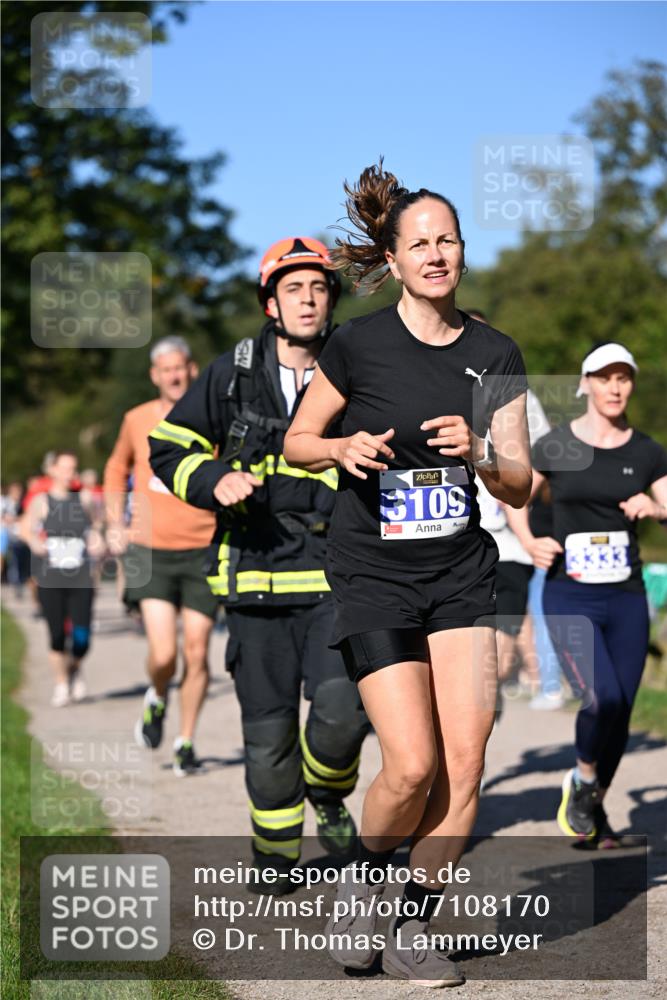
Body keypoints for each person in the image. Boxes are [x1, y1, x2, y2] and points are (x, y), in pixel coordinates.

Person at [283, 163, 531, 985]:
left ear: (462, 252)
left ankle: (411, 924)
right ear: (391, 261)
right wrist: (341, 447)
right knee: (413, 765)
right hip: (374, 575)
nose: (435, 254)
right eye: (418, 243)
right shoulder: (356, 345)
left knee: (467, 767)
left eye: (447, 240)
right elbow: (297, 439)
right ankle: (363, 880)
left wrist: (484, 453)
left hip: (460, 574)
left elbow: (522, 480)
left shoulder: (495, 351)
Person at [149, 238, 369, 881]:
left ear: (331, 300)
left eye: (319, 288)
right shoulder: (231, 373)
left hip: (338, 578)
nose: (307, 299)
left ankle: (327, 794)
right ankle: (276, 859)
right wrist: (212, 476)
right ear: (271, 303)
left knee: (341, 714)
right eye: (293, 289)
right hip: (254, 582)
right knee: (269, 738)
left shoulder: (355, 367)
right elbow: (168, 447)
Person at [506, 342, 667, 845]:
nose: (615, 387)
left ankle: (592, 812)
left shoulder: (647, 451)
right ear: (586, 384)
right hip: (568, 595)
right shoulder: (557, 445)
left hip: (624, 596)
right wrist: (529, 540)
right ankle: (583, 777)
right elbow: (516, 495)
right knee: (603, 697)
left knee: (619, 711)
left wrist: (654, 506)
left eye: (624, 378)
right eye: (605, 377)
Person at [104, 337, 218, 776]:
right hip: (147, 547)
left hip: (203, 545)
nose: (174, 374)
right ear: (155, 375)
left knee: (197, 650)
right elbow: (116, 467)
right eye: (165, 369)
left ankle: (185, 740)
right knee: (165, 653)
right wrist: (116, 520)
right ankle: (156, 695)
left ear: (192, 369)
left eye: (181, 366)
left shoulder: (213, 417)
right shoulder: (137, 419)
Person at [21, 451, 103, 706]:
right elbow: (25, 528)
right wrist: (35, 542)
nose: (71, 474)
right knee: (56, 635)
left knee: (82, 638)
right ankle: (61, 684)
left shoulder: (85, 498)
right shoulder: (41, 501)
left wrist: (96, 538)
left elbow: (98, 524)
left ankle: (74, 668)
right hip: (51, 576)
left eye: (74, 469)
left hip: (80, 576)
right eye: (66, 469)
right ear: (53, 470)